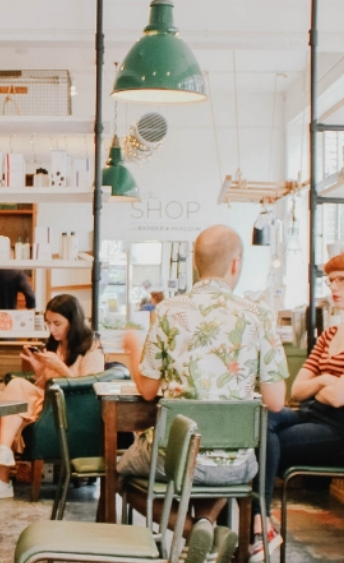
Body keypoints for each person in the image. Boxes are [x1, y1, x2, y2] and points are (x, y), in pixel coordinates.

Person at [118, 225, 287, 540]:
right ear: (235, 264)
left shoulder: (167, 312)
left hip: (176, 457)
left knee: (120, 475)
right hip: (237, 463)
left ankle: (192, 532)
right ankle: (206, 529)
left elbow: (148, 390)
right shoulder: (259, 314)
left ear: (196, 264)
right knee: (218, 467)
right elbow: (276, 401)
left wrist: (131, 350)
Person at [252, 249, 344, 562]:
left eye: (341, 280)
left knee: (264, 439)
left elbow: (342, 398)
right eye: (331, 281)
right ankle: (260, 524)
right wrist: (327, 380)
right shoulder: (329, 334)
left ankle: (259, 526)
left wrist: (325, 382)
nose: (334, 288)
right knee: (260, 418)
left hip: (339, 431)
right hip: (308, 415)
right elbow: (298, 389)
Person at [0, 294, 105, 500]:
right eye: (48, 323)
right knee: (14, 392)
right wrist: (38, 368)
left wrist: (59, 367)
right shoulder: (55, 345)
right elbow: (45, 385)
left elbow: (89, 388)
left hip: (73, 409)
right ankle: (3, 457)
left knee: (15, 399)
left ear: (74, 320)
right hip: (49, 402)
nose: (52, 329)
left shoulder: (91, 347)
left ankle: (2, 478)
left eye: (57, 323)